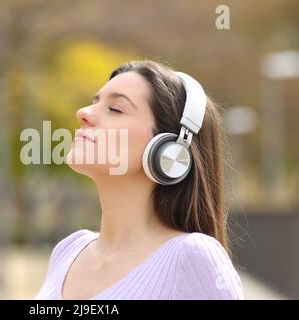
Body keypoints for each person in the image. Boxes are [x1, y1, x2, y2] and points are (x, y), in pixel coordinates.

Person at [35, 60, 243, 300]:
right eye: (95, 102)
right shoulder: (69, 250)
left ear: (169, 150)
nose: (83, 113)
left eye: (115, 109)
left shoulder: (193, 257)